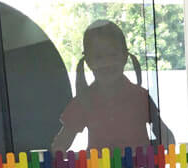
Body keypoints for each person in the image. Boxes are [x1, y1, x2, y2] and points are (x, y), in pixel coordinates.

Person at [51, 20, 175, 153]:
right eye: (99, 57)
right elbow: (60, 145)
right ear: (88, 62)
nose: (107, 63)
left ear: (124, 57)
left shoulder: (140, 97)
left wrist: (149, 151)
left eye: (113, 55)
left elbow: (168, 140)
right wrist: (68, 157)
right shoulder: (83, 101)